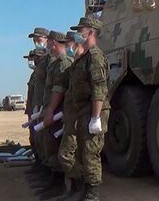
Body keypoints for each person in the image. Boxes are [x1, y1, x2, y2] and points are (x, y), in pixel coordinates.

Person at [59, 17, 110, 201]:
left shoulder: (95, 56)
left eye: (82, 30)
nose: (79, 33)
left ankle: (92, 194)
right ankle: (82, 189)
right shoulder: (83, 58)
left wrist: (96, 117)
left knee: (90, 153)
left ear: (91, 32)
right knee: (81, 153)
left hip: (94, 110)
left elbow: (99, 89)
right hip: (82, 111)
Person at [37, 31, 73, 198]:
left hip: (58, 111)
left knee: (57, 147)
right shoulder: (55, 63)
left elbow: (59, 89)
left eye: (49, 42)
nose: (47, 45)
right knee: (50, 145)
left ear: (53, 42)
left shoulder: (63, 62)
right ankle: (53, 183)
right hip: (52, 109)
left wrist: (50, 110)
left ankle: (59, 186)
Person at [56, 31, 85, 200]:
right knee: (70, 155)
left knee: (66, 155)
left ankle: (83, 186)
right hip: (70, 115)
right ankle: (76, 188)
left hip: (79, 116)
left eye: (68, 45)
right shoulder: (74, 65)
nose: (67, 48)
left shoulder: (84, 63)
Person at [26, 27, 51, 182]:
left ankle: (51, 178)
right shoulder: (40, 65)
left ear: (48, 39)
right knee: (37, 140)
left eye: (39, 39)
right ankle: (41, 169)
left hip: (44, 106)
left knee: (46, 142)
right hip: (36, 107)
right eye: (34, 39)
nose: (36, 42)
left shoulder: (50, 60)